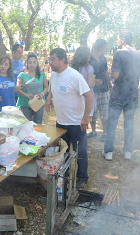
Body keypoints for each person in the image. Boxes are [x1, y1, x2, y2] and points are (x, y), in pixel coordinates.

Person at [45, 48, 93, 189]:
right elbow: (52, 88)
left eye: (53, 59)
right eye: (50, 59)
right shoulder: (53, 74)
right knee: (62, 152)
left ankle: (82, 177)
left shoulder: (74, 76)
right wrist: (48, 99)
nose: (50, 62)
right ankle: (63, 177)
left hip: (77, 123)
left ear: (63, 60)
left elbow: (89, 96)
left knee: (80, 152)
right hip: (61, 123)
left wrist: (86, 118)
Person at [103, 30, 140, 161]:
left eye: (118, 38)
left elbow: (115, 75)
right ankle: (128, 151)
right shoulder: (138, 54)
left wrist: (110, 71)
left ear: (122, 39)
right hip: (132, 95)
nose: (117, 41)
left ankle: (109, 152)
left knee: (112, 124)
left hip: (118, 95)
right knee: (129, 124)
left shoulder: (119, 53)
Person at [15, 53, 48, 124]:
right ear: (26, 64)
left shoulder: (42, 74)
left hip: (38, 103)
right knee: (27, 124)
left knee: (38, 125)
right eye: (30, 62)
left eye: (34, 62)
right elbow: (17, 89)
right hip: (25, 104)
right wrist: (25, 93)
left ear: (37, 63)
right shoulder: (22, 75)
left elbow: (46, 87)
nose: (32, 64)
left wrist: (42, 93)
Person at [89, 39, 111, 139]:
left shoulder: (103, 58)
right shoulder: (89, 58)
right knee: (93, 112)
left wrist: (110, 86)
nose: (105, 49)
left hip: (104, 90)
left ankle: (105, 133)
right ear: (101, 47)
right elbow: (86, 74)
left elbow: (106, 72)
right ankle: (93, 131)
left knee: (105, 112)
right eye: (105, 47)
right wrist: (95, 80)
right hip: (93, 90)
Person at [71, 46, 96, 126]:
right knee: (85, 121)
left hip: (75, 97)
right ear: (86, 56)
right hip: (86, 97)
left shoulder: (72, 68)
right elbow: (90, 84)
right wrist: (94, 81)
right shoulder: (89, 69)